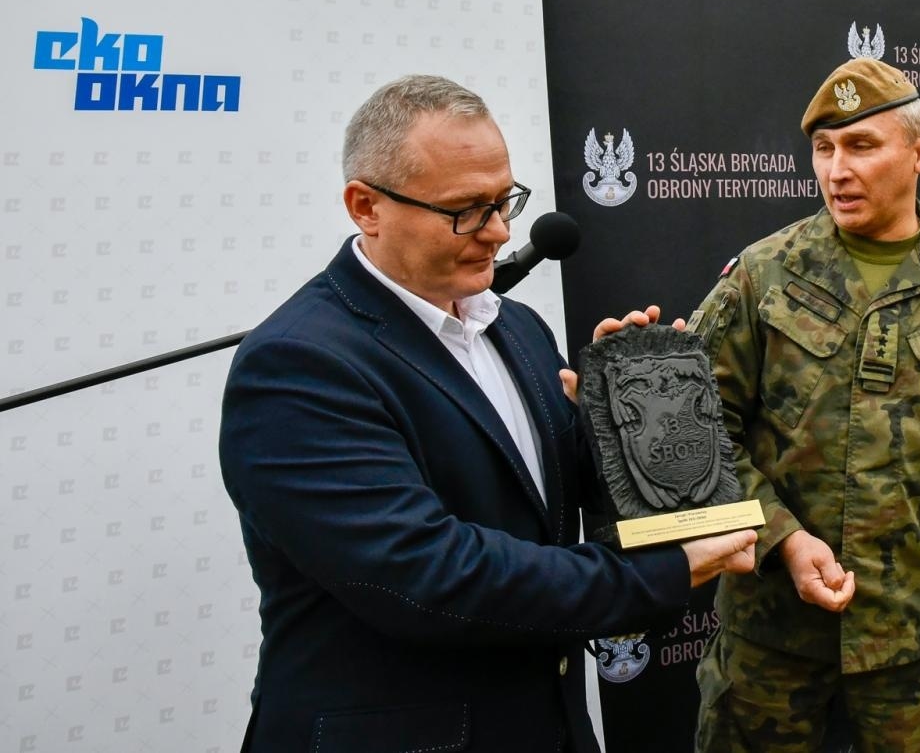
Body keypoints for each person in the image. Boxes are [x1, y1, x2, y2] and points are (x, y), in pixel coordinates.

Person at [219, 74, 756, 753]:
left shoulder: (520, 329)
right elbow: (427, 576)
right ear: (366, 206)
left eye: (504, 201)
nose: (500, 231)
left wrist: (624, 431)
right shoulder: (298, 366)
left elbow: (547, 520)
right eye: (466, 210)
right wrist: (664, 572)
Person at [688, 58, 920, 752]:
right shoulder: (762, 276)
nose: (838, 170)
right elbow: (696, 433)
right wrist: (782, 536)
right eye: (824, 149)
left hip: (914, 636)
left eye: (862, 146)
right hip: (770, 633)